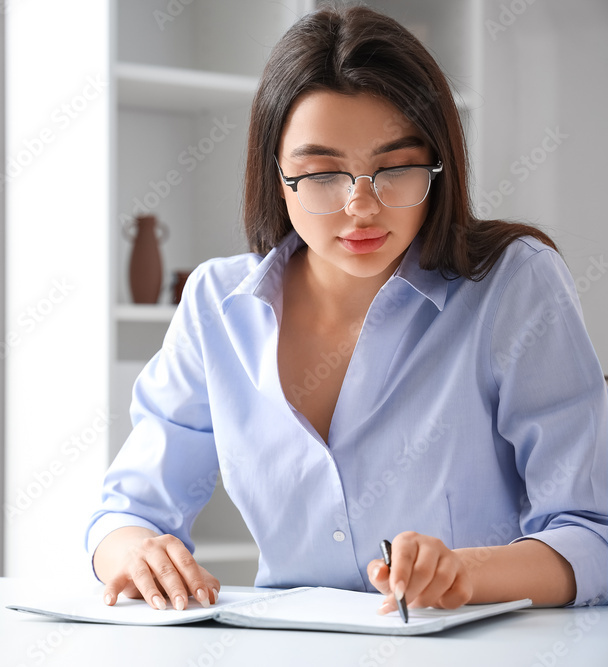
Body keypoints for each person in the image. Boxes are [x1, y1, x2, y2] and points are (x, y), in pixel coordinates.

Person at [86, 5, 608, 614]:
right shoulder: (216, 304)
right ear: (277, 176)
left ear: (438, 166)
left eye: (396, 169)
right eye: (322, 173)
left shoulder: (513, 283)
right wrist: (136, 552)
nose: (362, 206)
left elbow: (591, 531)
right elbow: (126, 512)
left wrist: (467, 574)